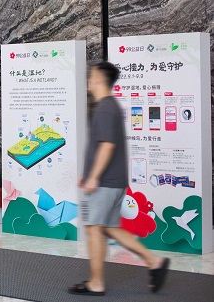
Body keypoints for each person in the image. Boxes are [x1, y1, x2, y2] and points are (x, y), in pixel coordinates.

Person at [69, 62, 169, 296]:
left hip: (104, 183)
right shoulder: (110, 106)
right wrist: (88, 173)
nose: (89, 80)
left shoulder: (105, 108)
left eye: (92, 75)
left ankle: (96, 283)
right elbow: (103, 146)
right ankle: (154, 261)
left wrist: (93, 177)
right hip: (113, 182)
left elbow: (107, 146)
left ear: (99, 79)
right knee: (109, 228)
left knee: (94, 229)